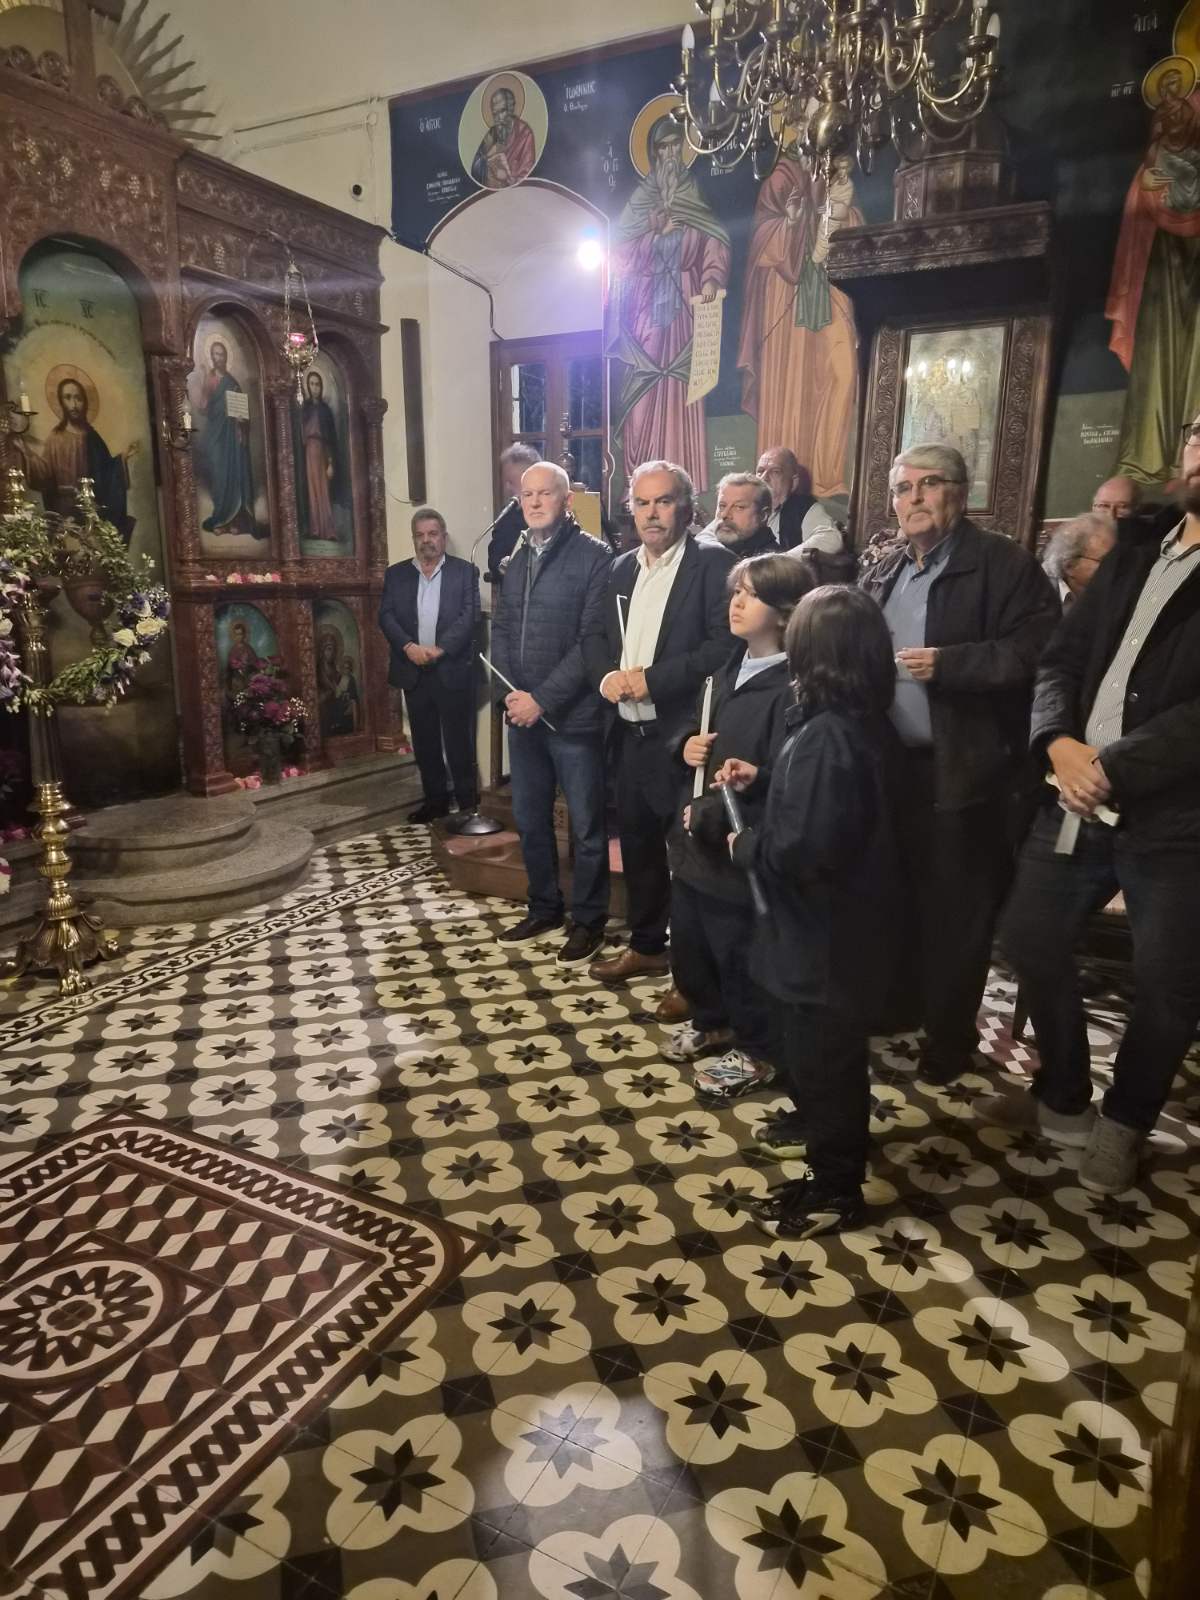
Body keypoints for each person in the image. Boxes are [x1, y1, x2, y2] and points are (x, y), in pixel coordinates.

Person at [980, 411, 1200, 1195]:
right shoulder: (1139, 546)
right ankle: (1065, 1090)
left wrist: (1112, 764)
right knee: (1029, 935)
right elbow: (1060, 659)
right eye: (1198, 436)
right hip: (1075, 791)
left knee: (1170, 983)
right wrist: (1056, 743)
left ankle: (1126, 1121)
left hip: (1176, 816)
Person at [860, 444, 1059, 1085]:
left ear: (960, 492)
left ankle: (949, 1039)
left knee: (957, 915)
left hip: (966, 771)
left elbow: (1042, 650)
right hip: (890, 767)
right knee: (894, 899)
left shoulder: (1003, 563)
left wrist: (952, 664)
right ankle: (898, 1007)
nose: (914, 498)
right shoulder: (887, 566)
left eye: (929, 484)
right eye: (902, 488)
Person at [715, 586, 906, 1238]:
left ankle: (836, 1188)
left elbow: (803, 849)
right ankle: (827, 1146)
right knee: (818, 1057)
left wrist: (745, 845)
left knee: (827, 1062)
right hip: (829, 932)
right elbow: (821, 802)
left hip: (825, 940)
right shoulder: (847, 720)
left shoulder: (830, 735)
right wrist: (766, 779)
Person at [663, 554, 816, 1100]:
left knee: (738, 953)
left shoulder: (792, 686)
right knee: (692, 943)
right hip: (694, 843)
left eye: (752, 595)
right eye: (736, 592)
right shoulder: (727, 668)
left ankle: (758, 1049)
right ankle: (713, 1021)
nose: (737, 603)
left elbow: (784, 777)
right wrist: (684, 744)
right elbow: (694, 723)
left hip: (736, 843)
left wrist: (720, 808)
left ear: (785, 612)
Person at [583, 460, 737, 987]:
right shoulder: (620, 568)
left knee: (694, 859)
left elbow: (724, 647)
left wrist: (652, 680)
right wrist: (607, 677)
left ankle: (697, 978)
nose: (651, 513)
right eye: (642, 503)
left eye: (664, 501)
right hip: (630, 735)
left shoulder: (714, 565)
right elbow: (594, 635)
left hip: (684, 738)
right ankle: (648, 947)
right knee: (640, 849)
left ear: (686, 508)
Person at [490, 462, 613, 965]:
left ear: (567, 501)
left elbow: (591, 643)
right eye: (527, 495)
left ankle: (589, 921)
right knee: (529, 819)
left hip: (573, 718)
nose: (535, 502)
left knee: (586, 828)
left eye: (545, 494)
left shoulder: (595, 557)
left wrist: (541, 698)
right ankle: (544, 906)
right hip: (523, 715)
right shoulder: (518, 556)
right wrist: (510, 694)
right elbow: (500, 628)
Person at [609, 117, 731, 490]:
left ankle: (681, 486)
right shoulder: (639, 202)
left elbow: (715, 240)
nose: (670, 154)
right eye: (663, 147)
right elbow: (620, 258)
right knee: (643, 393)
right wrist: (655, 235)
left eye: (676, 146)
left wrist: (711, 278)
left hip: (683, 309)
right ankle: (639, 483)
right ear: (653, 153)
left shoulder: (693, 194)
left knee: (680, 390)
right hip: (646, 309)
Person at [738, 148, 861, 497]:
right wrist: (790, 223)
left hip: (831, 289)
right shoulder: (781, 176)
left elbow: (851, 223)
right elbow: (763, 235)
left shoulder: (834, 172)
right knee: (790, 382)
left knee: (843, 373)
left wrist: (839, 217)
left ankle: (828, 478)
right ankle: (781, 485)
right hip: (786, 298)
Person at [379, 508, 481, 823]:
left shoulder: (465, 572)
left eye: (433, 534)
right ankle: (435, 802)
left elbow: (470, 615)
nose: (427, 540)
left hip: (451, 670)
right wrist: (408, 647)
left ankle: (468, 805)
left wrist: (441, 649)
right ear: (414, 539)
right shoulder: (396, 574)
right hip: (414, 671)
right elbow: (386, 616)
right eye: (420, 535)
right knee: (424, 743)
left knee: (459, 742)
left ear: (443, 537)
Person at [18, 376, 137, 542]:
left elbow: (106, 472)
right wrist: (26, 453)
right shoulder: (55, 438)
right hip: (64, 512)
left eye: (78, 398)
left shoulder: (92, 437)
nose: (73, 405)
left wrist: (121, 459)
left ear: (85, 402)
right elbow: (44, 474)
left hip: (90, 513)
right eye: (68, 398)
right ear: (61, 402)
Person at [198, 340, 257, 536]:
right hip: (216, 433)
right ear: (211, 356)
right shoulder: (210, 379)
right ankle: (220, 517)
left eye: (221, 354)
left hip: (232, 436)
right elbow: (203, 408)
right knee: (219, 472)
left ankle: (236, 522)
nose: (218, 358)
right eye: (215, 354)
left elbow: (243, 413)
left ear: (226, 357)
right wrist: (204, 386)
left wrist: (241, 421)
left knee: (234, 472)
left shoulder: (232, 383)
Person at [755, 448, 843, 556]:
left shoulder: (803, 508)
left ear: (794, 482)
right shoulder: (745, 506)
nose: (764, 478)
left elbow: (830, 538)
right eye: (760, 471)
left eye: (775, 472)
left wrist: (783, 559)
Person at [294, 370, 344, 543]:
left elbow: (330, 439)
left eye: (317, 384)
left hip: (322, 452)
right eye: (312, 384)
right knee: (312, 492)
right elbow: (300, 434)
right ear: (308, 386)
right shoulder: (305, 408)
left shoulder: (325, 410)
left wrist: (330, 463)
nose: (314, 388)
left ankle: (329, 530)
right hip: (308, 452)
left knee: (324, 493)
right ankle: (314, 529)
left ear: (321, 387)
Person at [1042, 513, 1117, 613]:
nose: (1115, 567)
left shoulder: (1118, 592)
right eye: (1105, 561)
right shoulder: (1037, 595)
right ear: (1069, 566)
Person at [487, 442, 540, 581]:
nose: (507, 488)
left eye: (511, 482)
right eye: (505, 482)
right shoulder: (508, 515)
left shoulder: (553, 513)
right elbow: (494, 560)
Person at [695, 473, 779, 558]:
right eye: (722, 506)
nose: (724, 514)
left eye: (739, 507)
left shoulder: (773, 563)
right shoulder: (705, 552)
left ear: (763, 515)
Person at [471, 83, 537, 189]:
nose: (499, 118)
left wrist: (509, 178)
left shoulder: (524, 134)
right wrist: (488, 157)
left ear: (511, 109)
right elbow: (475, 167)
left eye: (502, 111)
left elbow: (528, 173)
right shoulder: (492, 134)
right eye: (495, 114)